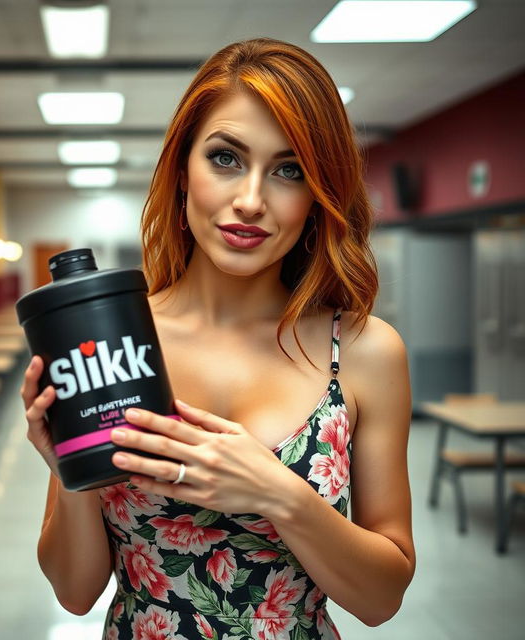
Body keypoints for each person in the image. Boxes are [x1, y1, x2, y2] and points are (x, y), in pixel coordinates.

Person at [22, 37, 415, 640]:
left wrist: (279, 495)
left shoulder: (363, 350)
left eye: (289, 171)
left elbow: (382, 599)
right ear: (183, 172)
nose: (250, 201)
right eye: (226, 158)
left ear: (318, 197)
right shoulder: (111, 340)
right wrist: (69, 468)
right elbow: (76, 595)